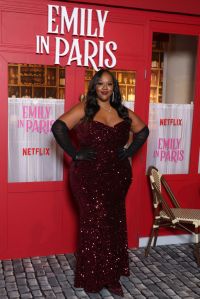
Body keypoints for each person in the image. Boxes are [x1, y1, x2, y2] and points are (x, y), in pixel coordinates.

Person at [51, 69, 149, 297]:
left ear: (114, 87)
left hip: (117, 177)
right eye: (100, 84)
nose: (105, 88)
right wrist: (75, 154)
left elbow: (143, 131)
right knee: (94, 224)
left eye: (109, 84)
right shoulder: (86, 108)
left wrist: (129, 151)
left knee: (113, 223)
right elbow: (58, 127)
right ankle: (92, 276)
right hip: (88, 177)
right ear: (94, 86)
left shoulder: (123, 112)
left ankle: (112, 277)